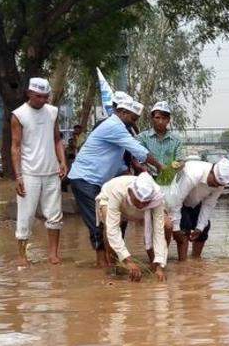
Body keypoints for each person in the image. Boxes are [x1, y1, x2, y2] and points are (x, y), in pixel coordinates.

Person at [68, 98, 164, 267]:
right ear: (122, 113)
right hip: (85, 179)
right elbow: (138, 150)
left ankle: (111, 261)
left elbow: (117, 162)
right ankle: (103, 264)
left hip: (98, 182)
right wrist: (160, 166)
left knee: (114, 221)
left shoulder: (119, 129)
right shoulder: (114, 126)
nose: (133, 124)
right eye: (133, 119)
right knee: (99, 222)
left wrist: (131, 176)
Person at [12, 77, 67, 266]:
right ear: (29, 94)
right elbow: (16, 147)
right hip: (29, 173)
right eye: (39, 97)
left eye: (46, 97)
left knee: (54, 215)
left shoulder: (52, 112)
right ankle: (22, 255)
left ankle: (53, 254)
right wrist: (18, 175)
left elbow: (57, 139)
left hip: (51, 172)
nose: (43, 100)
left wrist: (62, 161)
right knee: (25, 215)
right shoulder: (19, 115)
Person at [96, 172, 168, 282]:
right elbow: (113, 229)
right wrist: (128, 261)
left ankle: (155, 263)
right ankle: (112, 265)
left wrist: (159, 265)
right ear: (130, 192)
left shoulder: (157, 197)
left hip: (140, 211)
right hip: (111, 201)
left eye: (145, 203)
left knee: (167, 224)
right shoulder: (118, 189)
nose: (141, 205)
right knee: (111, 224)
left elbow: (159, 232)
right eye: (138, 201)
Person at [166, 157, 229, 261]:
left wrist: (199, 228)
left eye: (219, 185)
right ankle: (182, 263)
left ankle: (196, 260)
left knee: (205, 227)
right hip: (174, 199)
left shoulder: (219, 185)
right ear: (211, 171)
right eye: (214, 183)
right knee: (184, 228)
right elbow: (176, 200)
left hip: (194, 201)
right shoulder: (193, 173)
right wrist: (175, 228)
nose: (216, 186)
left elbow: (208, 205)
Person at [138, 101, 184, 187]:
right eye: (157, 118)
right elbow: (139, 160)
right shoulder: (142, 137)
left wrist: (176, 166)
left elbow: (180, 161)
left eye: (164, 118)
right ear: (152, 118)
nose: (160, 121)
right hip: (147, 181)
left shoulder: (176, 139)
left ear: (168, 120)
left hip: (169, 181)